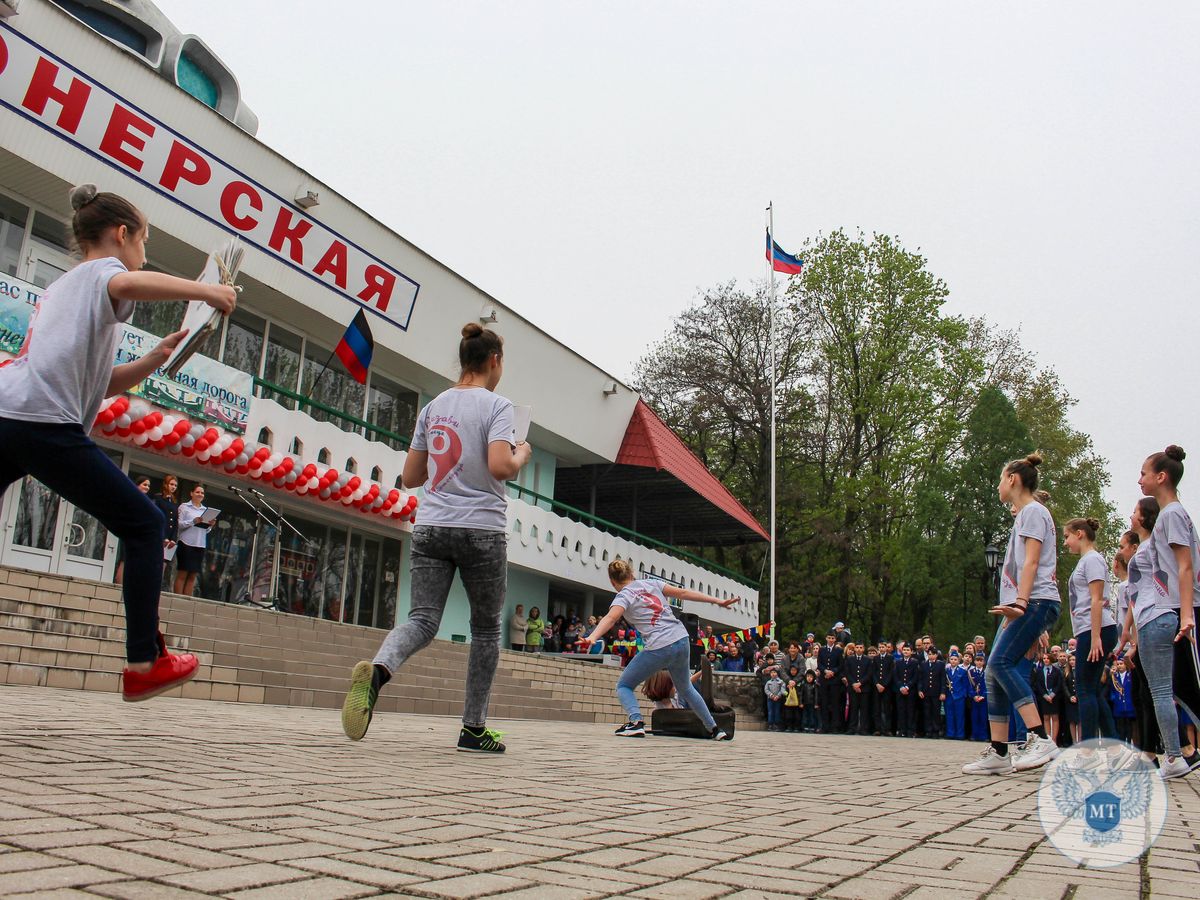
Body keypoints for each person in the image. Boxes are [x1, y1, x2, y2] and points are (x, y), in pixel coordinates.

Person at [0, 185, 235, 701]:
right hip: (41, 422)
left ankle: (146, 658)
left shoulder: (66, 288)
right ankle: (144, 662)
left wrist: (153, 359)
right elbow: (130, 280)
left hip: (9, 414)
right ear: (121, 234)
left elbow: (98, 383)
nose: (144, 252)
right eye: (144, 240)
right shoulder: (102, 273)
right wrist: (205, 292)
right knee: (146, 522)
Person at [340, 322, 532, 753]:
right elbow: (501, 466)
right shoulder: (498, 406)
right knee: (484, 632)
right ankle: (473, 729)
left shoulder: (433, 407)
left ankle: (378, 670)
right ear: (494, 361)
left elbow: (410, 476)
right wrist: (521, 453)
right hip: (481, 529)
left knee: (422, 621)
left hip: (431, 526)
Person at [963, 453, 1063, 776]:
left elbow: (1032, 562)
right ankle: (999, 751)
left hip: (1033, 602)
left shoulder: (1033, 512)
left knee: (999, 664)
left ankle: (1040, 736)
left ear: (1013, 480)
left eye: (1000, 479)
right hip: (1023, 604)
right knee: (993, 672)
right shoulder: (1025, 516)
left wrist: (1021, 604)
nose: (997, 486)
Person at [580, 559, 736, 740]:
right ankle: (715, 729)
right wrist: (719, 601)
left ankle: (636, 722)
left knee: (624, 685)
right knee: (685, 688)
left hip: (660, 645)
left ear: (612, 581)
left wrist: (592, 637)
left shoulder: (623, 595)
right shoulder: (651, 583)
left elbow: (610, 618)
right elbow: (684, 593)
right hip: (681, 639)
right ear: (632, 574)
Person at [1124, 446, 1200, 778]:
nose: (1139, 479)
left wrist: (1186, 614)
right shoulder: (1173, 516)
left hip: (1165, 612)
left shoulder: (1171, 515)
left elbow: (1185, 568)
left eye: (1143, 473)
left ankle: (1172, 756)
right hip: (1166, 611)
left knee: (1165, 691)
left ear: (1161, 477)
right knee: (1178, 689)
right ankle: (1173, 756)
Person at [1062, 517, 1120, 755]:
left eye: (1066, 537)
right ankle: (1114, 748)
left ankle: (1087, 751)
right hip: (1090, 629)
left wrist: (1095, 637)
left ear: (1080, 534)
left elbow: (1097, 599)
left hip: (1095, 629)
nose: (1065, 543)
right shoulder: (1086, 561)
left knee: (1084, 688)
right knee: (1093, 689)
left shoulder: (1093, 560)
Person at [174, 484, 214, 597]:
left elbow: (205, 531)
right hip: (186, 543)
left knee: (193, 574)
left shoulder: (205, 510)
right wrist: (193, 521)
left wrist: (210, 525)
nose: (200, 494)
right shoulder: (184, 507)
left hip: (200, 544)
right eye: (197, 492)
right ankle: (177, 598)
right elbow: (179, 525)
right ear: (191, 493)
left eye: (202, 493)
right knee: (183, 572)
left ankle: (187, 600)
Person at [114, 475, 152, 585]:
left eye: (148, 485)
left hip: (139, 534)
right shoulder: (131, 497)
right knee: (125, 558)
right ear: (137, 485)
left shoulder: (147, 501)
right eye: (144, 484)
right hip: (129, 531)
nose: (147, 487)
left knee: (134, 559)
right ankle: (119, 583)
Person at [817, 631, 844, 733]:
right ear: (826, 638)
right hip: (824, 679)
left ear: (835, 639)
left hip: (834, 680)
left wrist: (833, 671)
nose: (831, 640)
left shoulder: (838, 651)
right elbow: (819, 663)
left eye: (833, 638)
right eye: (829, 638)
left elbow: (841, 665)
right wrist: (825, 671)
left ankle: (835, 726)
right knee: (824, 703)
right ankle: (825, 726)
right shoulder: (822, 650)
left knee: (835, 703)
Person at [918, 645, 945, 738]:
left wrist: (942, 692)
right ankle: (928, 730)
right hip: (926, 692)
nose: (931, 656)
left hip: (936, 692)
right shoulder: (923, 664)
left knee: (936, 712)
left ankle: (936, 730)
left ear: (936, 655)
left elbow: (943, 679)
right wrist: (920, 690)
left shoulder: (941, 664)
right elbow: (920, 678)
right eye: (929, 654)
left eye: (933, 654)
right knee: (927, 712)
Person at [894, 642, 919, 737]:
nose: (906, 651)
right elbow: (895, 675)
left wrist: (908, 686)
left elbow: (915, 676)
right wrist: (900, 686)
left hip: (910, 690)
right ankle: (901, 730)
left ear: (911, 652)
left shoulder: (914, 662)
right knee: (901, 710)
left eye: (908, 650)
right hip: (900, 690)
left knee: (910, 710)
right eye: (904, 650)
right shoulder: (898, 662)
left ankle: (910, 730)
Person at [943, 652, 969, 740]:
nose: (953, 661)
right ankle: (950, 733)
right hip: (949, 695)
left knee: (959, 715)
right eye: (952, 659)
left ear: (959, 661)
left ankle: (960, 734)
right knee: (949, 715)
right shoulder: (946, 670)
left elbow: (965, 685)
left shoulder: (962, 671)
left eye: (955, 659)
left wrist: (963, 695)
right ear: (949, 660)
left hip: (959, 696)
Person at [871, 639, 894, 736]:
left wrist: (884, 685)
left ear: (886, 647)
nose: (881, 649)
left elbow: (891, 673)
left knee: (887, 708)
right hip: (877, 687)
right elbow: (873, 672)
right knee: (877, 708)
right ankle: (878, 728)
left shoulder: (890, 658)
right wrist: (877, 684)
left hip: (886, 687)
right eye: (879, 647)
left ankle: (887, 729)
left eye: (883, 647)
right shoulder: (875, 658)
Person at [967, 654, 988, 741]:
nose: (979, 662)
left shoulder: (986, 672)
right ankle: (974, 735)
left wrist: (983, 695)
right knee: (974, 717)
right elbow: (968, 685)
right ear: (974, 661)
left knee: (983, 717)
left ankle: (983, 736)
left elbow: (988, 685)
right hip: (974, 699)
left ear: (983, 662)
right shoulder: (970, 672)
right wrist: (973, 695)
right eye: (977, 660)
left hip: (983, 699)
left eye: (981, 661)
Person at [764, 666, 785, 731]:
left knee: (777, 711)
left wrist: (778, 696)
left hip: (778, 699)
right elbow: (766, 689)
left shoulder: (781, 681)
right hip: (770, 699)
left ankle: (776, 724)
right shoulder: (768, 682)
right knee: (770, 711)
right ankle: (770, 724)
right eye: (772, 672)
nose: (773, 674)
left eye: (774, 672)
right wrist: (771, 695)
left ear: (777, 673)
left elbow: (783, 689)